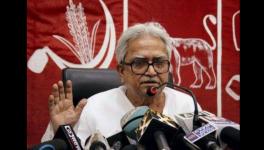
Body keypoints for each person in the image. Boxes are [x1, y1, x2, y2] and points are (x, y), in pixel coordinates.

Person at [41, 22, 201, 147]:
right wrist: (61, 131)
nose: (152, 72)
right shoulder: (94, 107)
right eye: (139, 63)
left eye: (159, 63)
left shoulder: (187, 104)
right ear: (121, 71)